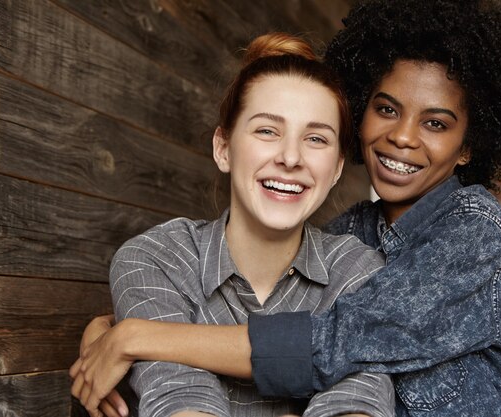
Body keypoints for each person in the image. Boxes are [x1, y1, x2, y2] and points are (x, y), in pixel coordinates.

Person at [73, 0, 501, 415]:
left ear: (470, 146)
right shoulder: (353, 238)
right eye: (386, 109)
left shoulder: (475, 230)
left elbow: (334, 342)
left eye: (436, 124)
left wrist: (134, 337)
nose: (403, 136)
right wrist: (114, 326)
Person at [70, 32, 395, 417]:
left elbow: (355, 405)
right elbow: (182, 403)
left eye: (316, 138)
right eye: (267, 131)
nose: (291, 157)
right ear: (223, 148)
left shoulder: (357, 273)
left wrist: (132, 335)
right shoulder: (154, 260)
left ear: (338, 168)